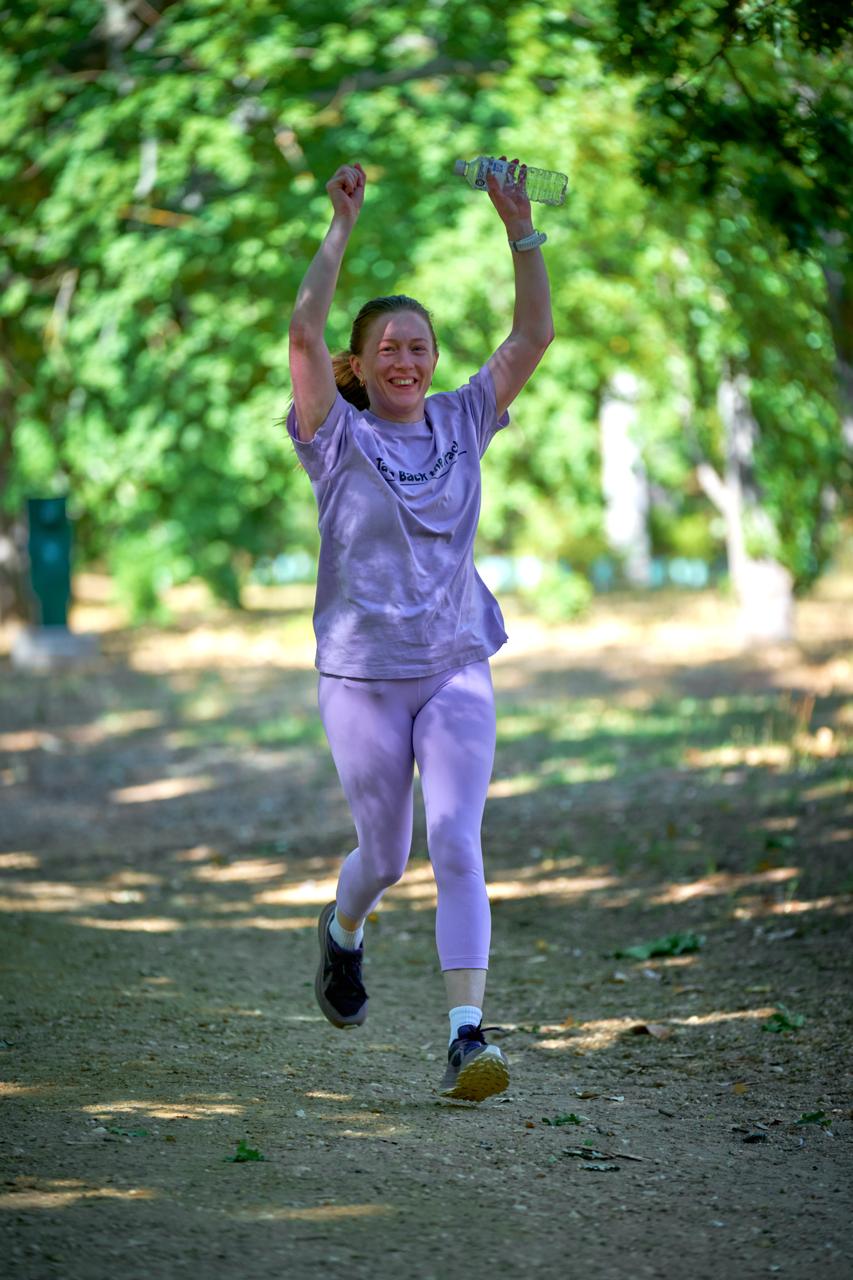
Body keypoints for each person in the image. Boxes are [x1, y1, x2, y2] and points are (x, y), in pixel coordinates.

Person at [287, 157, 554, 1101]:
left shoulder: (464, 418)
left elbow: (532, 334)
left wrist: (516, 221)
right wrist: (340, 225)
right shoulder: (333, 435)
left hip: (453, 661)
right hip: (362, 673)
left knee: (456, 838)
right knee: (387, 857)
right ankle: (342, 929)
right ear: (360, 367)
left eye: (421, 347)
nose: (407, 361)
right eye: (389, 349)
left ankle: (465, 1035)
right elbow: (304, 330)